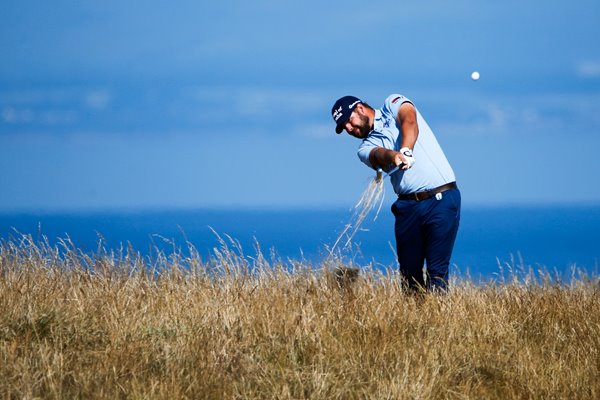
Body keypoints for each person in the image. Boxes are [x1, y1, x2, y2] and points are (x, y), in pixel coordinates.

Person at [331, 94, 460, 292]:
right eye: (344, 127)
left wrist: (406, 149)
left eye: (349, 121)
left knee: (437, 272)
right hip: (407, 207)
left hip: (441, 198)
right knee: (409, 275)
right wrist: (394, 155)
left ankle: (438, 318)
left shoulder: (392, 103)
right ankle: (414, 321)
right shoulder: (363, 148)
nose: (348, 129)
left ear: (360, 109)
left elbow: (409, 119)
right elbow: (379, 155)